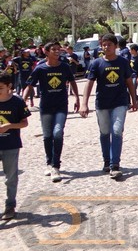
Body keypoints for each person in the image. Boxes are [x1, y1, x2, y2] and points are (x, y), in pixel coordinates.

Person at [80, 34, 138, 179]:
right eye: (104, 45)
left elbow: (129, 81)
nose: (106, 47)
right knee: (105, 132)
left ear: (116, 46)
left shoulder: (123, 62)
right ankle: (107, 161)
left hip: (120, 102)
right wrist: (84, 103)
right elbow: (89, 83)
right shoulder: (96, 63)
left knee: (117, 131)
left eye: (109, 44)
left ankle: (115, 165)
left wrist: (134, 99)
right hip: (102, 103)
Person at [23, 42, 81, 182]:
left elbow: (72, 82)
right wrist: (22, 101)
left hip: (61, 105)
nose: (56, 51)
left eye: (58, 49)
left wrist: (77, 98)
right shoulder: (40, 68)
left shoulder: (65, 67)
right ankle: (49, 162)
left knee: (58, 133)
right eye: (53, 49)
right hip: (46, 107)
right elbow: (29, 85)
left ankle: (56, 165)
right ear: (46, 52)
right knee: (47, 135)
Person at [0, 70, 31, 220]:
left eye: (0, 88)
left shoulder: (17, 102)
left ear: (9, 86)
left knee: (11, 178)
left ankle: (10, 205)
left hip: (11, 145)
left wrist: (9, 126)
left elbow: (24, 123)